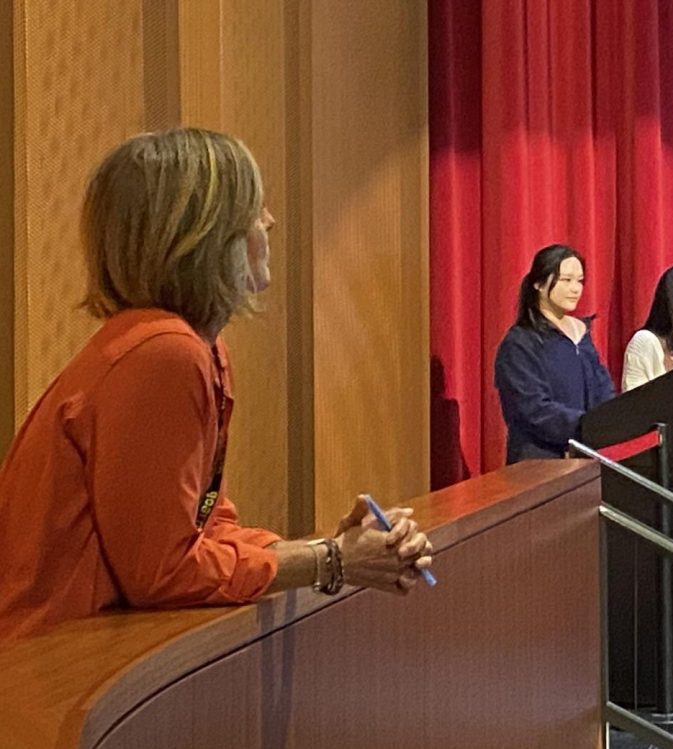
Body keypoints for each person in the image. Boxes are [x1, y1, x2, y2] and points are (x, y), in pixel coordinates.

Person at [0, 129, 432, 643]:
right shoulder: (163, 354)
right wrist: (331, 560)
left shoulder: (196, 348)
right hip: (52, 665)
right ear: (203, 235)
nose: (269, 220)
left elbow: (207, 528)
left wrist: (335, 550)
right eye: (252, 208)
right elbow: (162, 573)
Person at [494, 244, 615, 463]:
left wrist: (611, 421)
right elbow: (533, 409)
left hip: (587, 459)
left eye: (580, 281)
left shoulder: (582, 335)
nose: (576, 288)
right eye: (566, 280)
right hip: (539, 463)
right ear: (539, 284)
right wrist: (585, 426)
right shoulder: (520, 343)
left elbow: (603, 389)